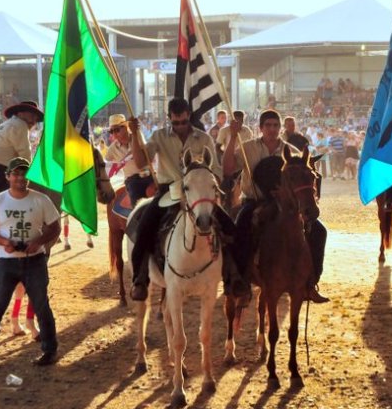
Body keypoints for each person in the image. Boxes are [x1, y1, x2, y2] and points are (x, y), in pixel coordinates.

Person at [128, 98, 241, 302]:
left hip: (198, 192)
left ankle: (233, 277)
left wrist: (205, 185)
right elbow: (140, 162)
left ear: (188, 115)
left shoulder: (204, 138)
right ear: (170, 118)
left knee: (231, 229)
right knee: (144, 228)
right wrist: (135, 135)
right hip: (168, 191)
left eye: (183, 121)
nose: (179, 126)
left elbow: (214, 170)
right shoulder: (159, 136)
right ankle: (140, 279)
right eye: (175, 122)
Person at [222, 109, 329, 303]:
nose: (272, 129)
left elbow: (304, 181)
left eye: (275, 126)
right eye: (268, 126)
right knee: (240, 228)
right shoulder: (247, 148)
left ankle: (310, 283)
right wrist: (232, 137)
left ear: (280, 128)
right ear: (261, 128)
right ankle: (240, 280)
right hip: (254, 201)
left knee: (319, 231)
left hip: (285, 205)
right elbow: (228, 169)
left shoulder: (292, 152)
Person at [0, 157, 61, 370]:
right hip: (6, 261)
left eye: (24, 173)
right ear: (8, 176)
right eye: (16, 174)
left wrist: (37, 241)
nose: (21, 178)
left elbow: (54, 227)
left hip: (35, 260)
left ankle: (50, 350)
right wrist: (5, 242)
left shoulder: (41, 200)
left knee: (42, 306)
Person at [0, 101, 43, 194]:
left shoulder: (3, 125)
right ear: (20, 113)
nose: (34, 121)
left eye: (36, 119)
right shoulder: (21, 124)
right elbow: (25, 155)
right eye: (32, 115)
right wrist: (34, 172)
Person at [105, 114, 152, 206]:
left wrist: (135, 133)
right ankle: (137, 219)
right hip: (132, 180)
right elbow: (105, 164)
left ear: (126, 127)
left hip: (148, 175)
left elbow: (143, 158)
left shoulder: (137, 135)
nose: (114, 134)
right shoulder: (112, 149)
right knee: (135, 196)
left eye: (117, 130)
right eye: (111, 131)